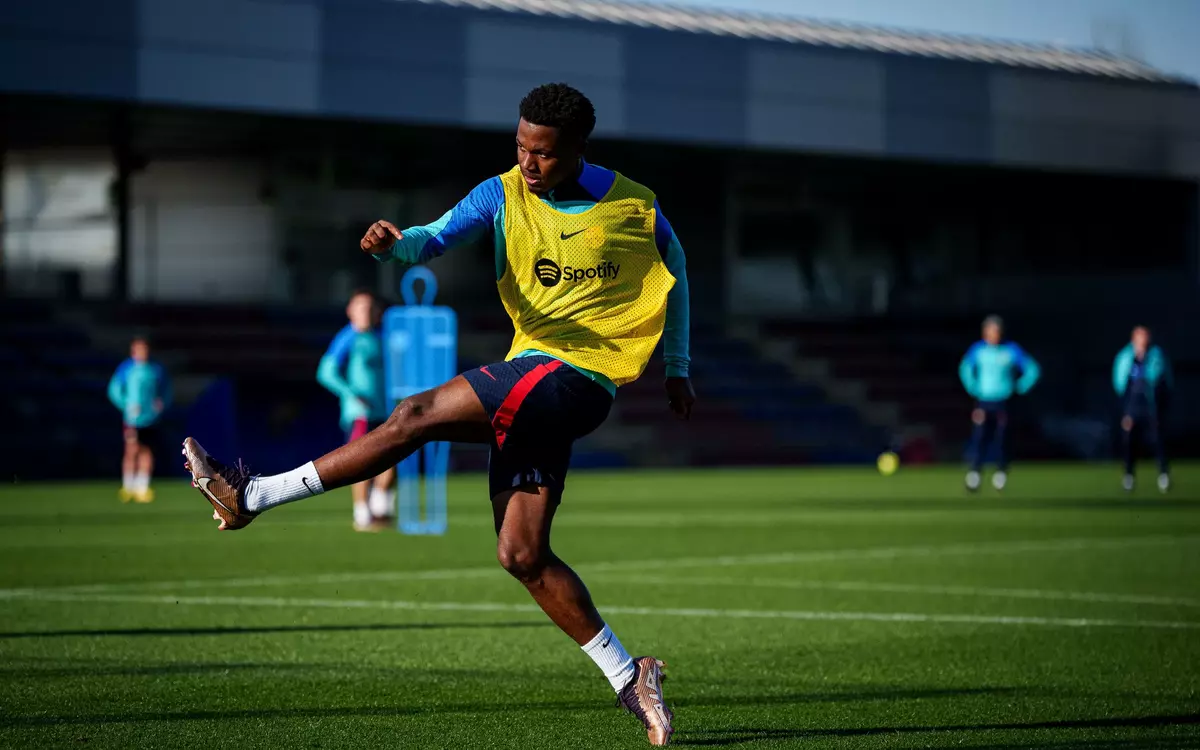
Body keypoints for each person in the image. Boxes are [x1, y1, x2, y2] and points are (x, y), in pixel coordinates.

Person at [181, 83, 691, 746]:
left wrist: (676, 366)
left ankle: (252, 494)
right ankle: (632, 676)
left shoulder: (632, 203)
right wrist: (394, 246)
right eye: (520, 146)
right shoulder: (501, 193)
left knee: (414, 412)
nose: (528, 163)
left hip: (578, 378)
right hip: (532, 378)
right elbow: (433, 239)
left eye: (542, 153)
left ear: (576, 151)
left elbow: (673, 266)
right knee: (521, 555)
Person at [317, 289, 397, 531]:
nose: (366, 313)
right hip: (359, 413)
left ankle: (380, 505)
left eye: (370, 308)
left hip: (386, 411)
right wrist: (351, 394)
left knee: (392, 459)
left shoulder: (384, 337)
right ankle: (363, 512)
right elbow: (326, 372)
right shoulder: (347, 338)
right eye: (361, 308)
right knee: (362, 462)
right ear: (350, 312)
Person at [958, 315, 1040, 492]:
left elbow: (1032, 369)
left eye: (996, 330)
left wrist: (1019, 387)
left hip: (1004, 400)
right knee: (980, 436)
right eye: (989, 330)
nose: (993, 334)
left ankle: (1001, 471)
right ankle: (975, 473)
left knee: (1003, 436)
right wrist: (974, 387)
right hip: (984, 400)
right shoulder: (978, 350)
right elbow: (964, 369)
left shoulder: (1011, 350)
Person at [107, 336, 171, 503]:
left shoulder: (156, 369)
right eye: (140, 349)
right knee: (131, 450)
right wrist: (126, 404)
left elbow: (166, 391)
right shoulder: (126, 369)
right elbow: (114, 390)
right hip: (133, 419)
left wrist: (161, 404)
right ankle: (128, 486)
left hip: (151, 418)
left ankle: (142, 487)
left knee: (147, 451)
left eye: (145, 349)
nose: (143, 352)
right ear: (133, 351)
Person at [1113, 325, 1172, 492]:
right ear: (1134, 339)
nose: (1144, 340)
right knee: (1129, 441)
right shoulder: (1125, 358)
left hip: (1151, 406)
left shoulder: (1156, 356)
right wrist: (1125, 412)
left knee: (1158, 439)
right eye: (1140, 337)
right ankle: (1129, 475)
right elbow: (1120, 385)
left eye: (1146, 336)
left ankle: (1163, 474)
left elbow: (1165, 381)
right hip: (1133, 407)